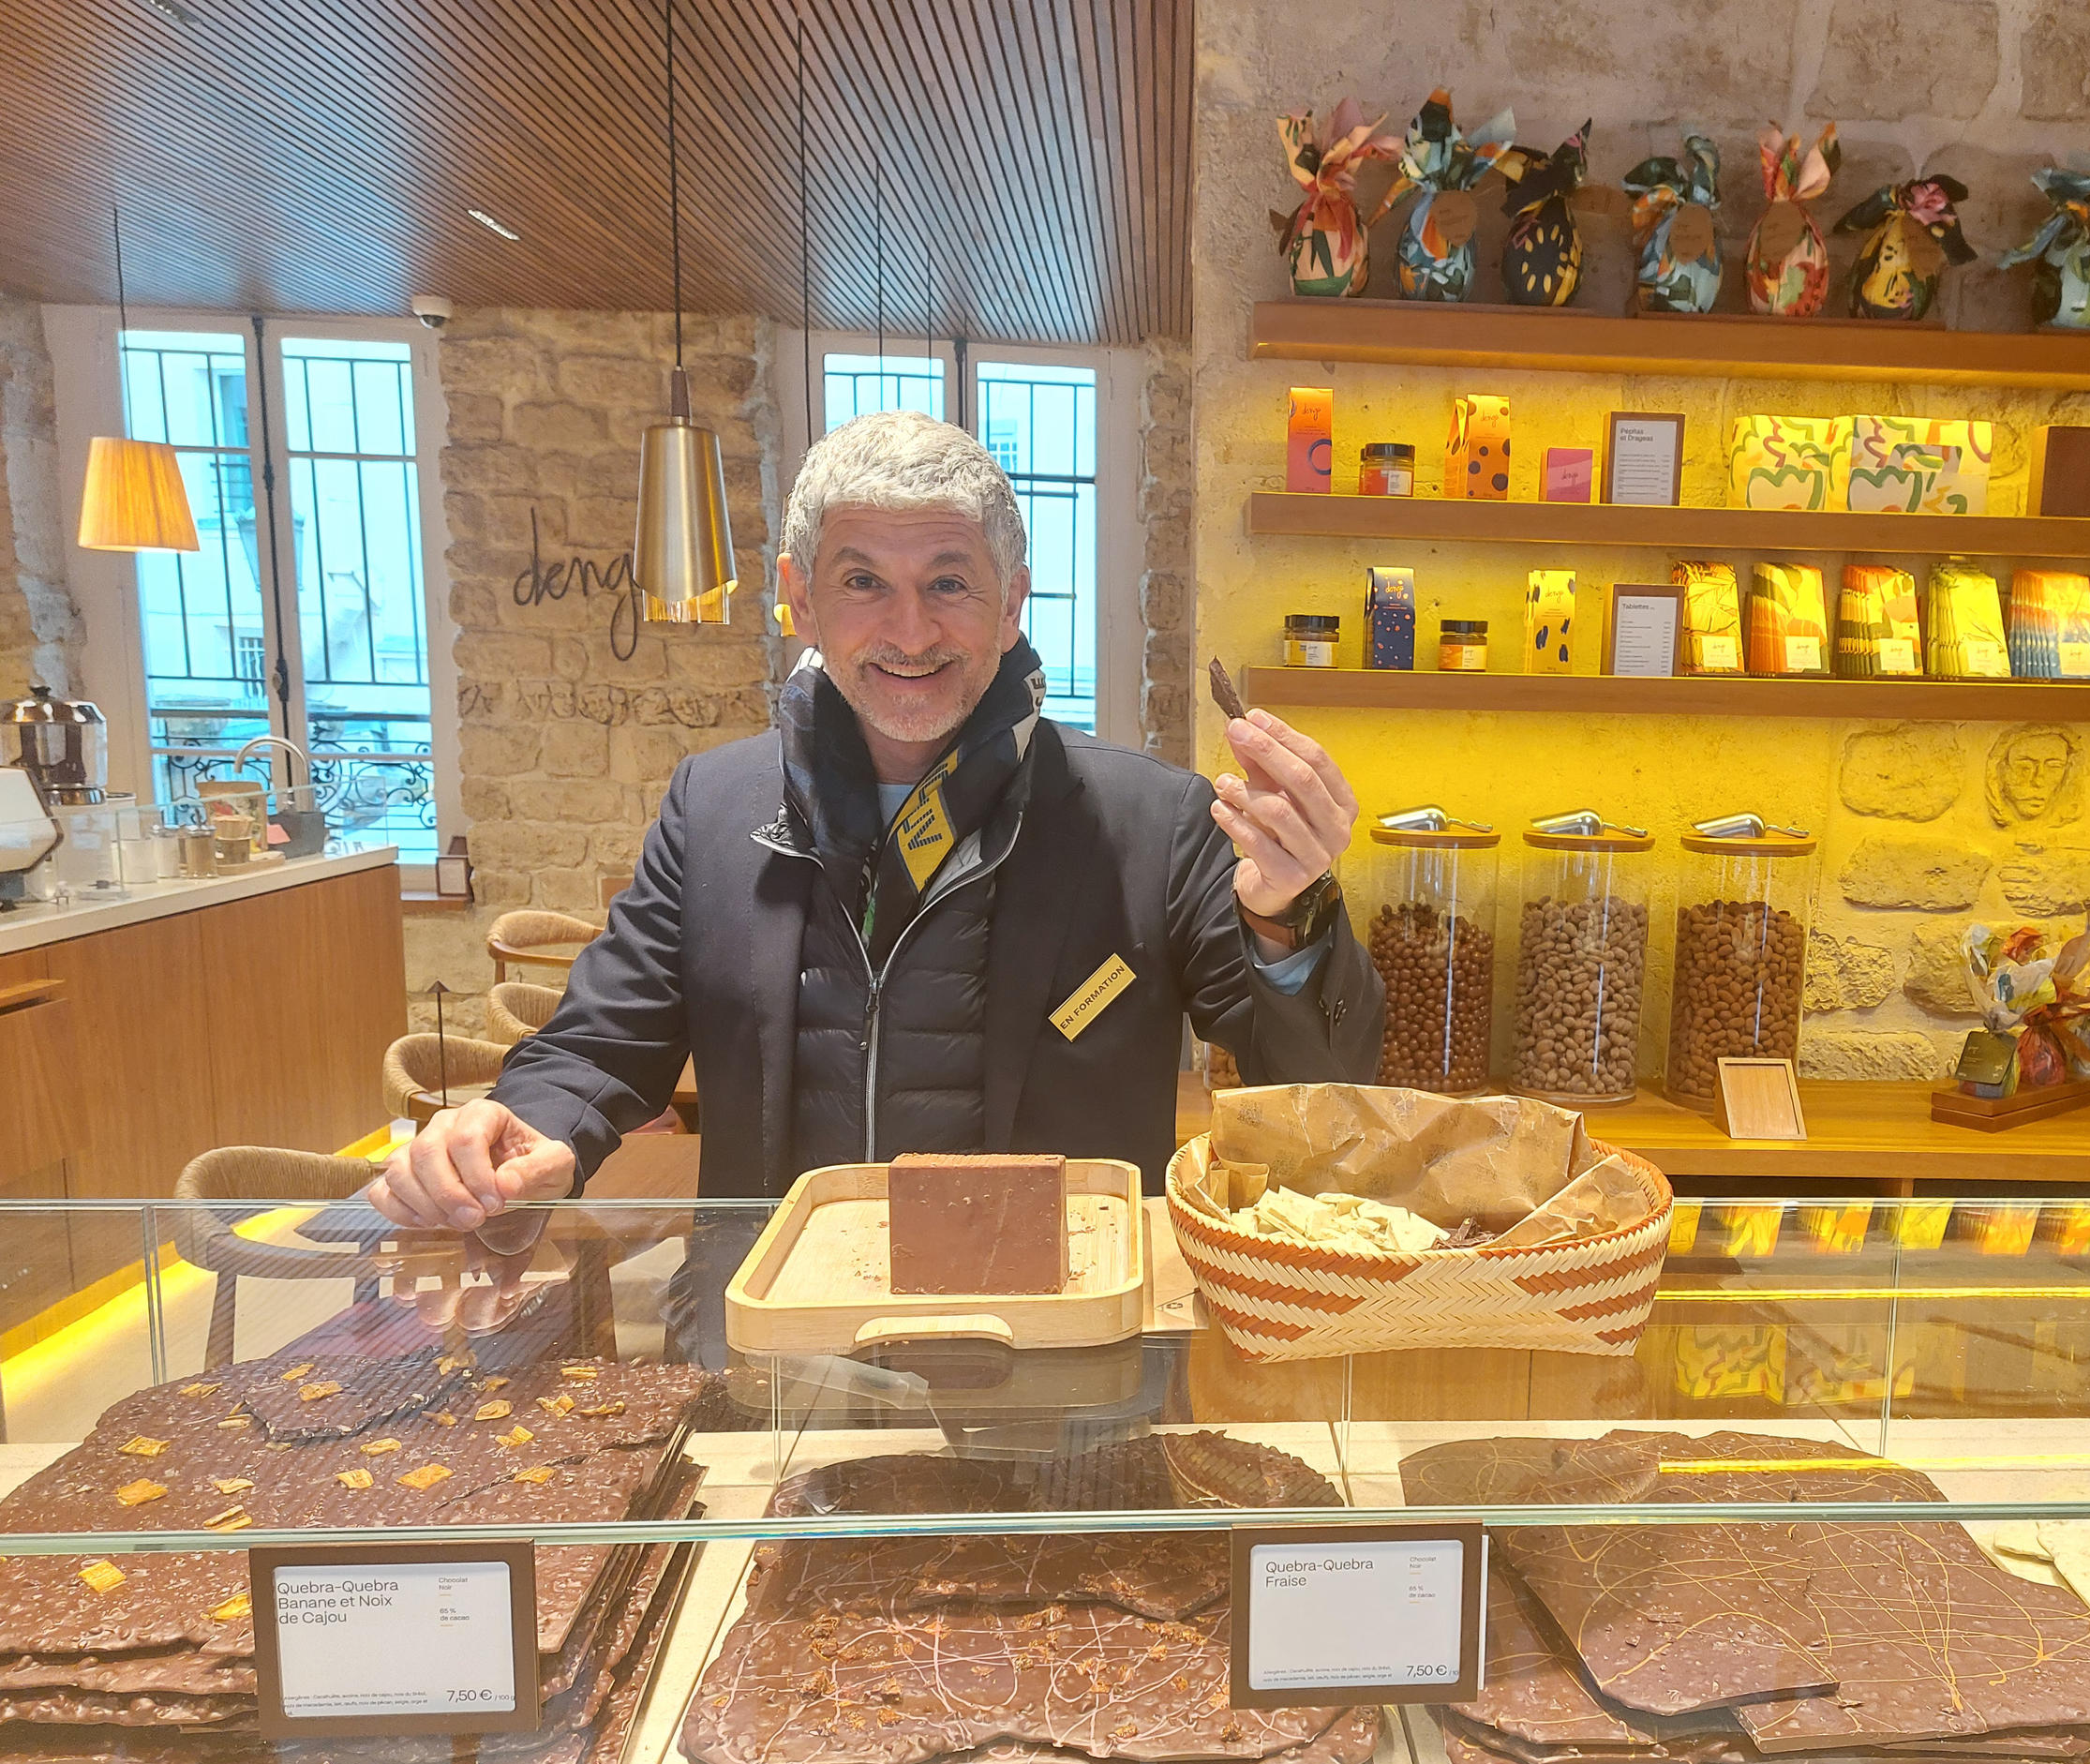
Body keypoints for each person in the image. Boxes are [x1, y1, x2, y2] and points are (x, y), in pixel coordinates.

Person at [372, 411, 1382, 1232]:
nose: (909, 631)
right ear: (801, 602)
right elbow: (601, 1044)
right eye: (863, 583)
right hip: (777, 1339)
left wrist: (1285, 921)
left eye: (949, 582)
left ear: (1012, 604)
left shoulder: (1154, 821)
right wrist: (532, 1122)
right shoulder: (712, 807)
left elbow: (1317, 1089)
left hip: (1061, 1360)